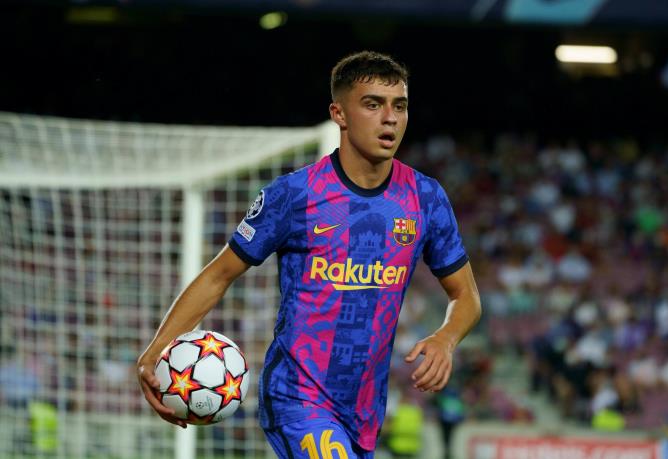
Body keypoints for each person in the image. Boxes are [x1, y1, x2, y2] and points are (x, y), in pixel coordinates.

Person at [137, 50, 482, 458]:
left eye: (400, 106)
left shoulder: (425, 197)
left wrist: (446, 338)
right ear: (339, 114)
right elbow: (219, 274)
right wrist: (155, 351)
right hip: (296, 398)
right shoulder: (294, 195)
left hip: (364, 410)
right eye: (373, 104)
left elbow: (466, 296)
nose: (390, 118)